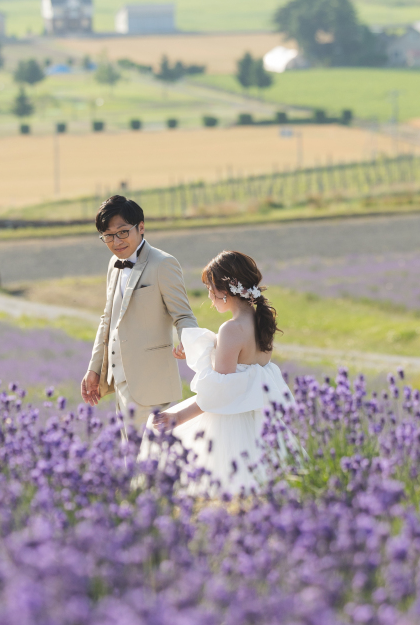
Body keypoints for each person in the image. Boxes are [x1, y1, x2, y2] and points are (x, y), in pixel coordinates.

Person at [149, 250, 287, 495]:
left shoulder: (231, 329)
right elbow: (245, 367)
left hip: (230, 423)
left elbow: (220, 392)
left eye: (210, 290)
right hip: (258, 422)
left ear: (224, 290)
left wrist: (178, 418)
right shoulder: (261, 322)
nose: (210, 298)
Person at [80, 194, 198, 430]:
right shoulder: (113, 265)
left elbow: (184, 315)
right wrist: (94, 368)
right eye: (108, 236)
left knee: (153, 462)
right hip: (120, 384)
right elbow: (107, 320)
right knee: (130, 463)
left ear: (141, 227)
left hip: (152, 386)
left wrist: (190, 342)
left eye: (123, 232)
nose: (116, 241)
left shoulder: (163, 264)